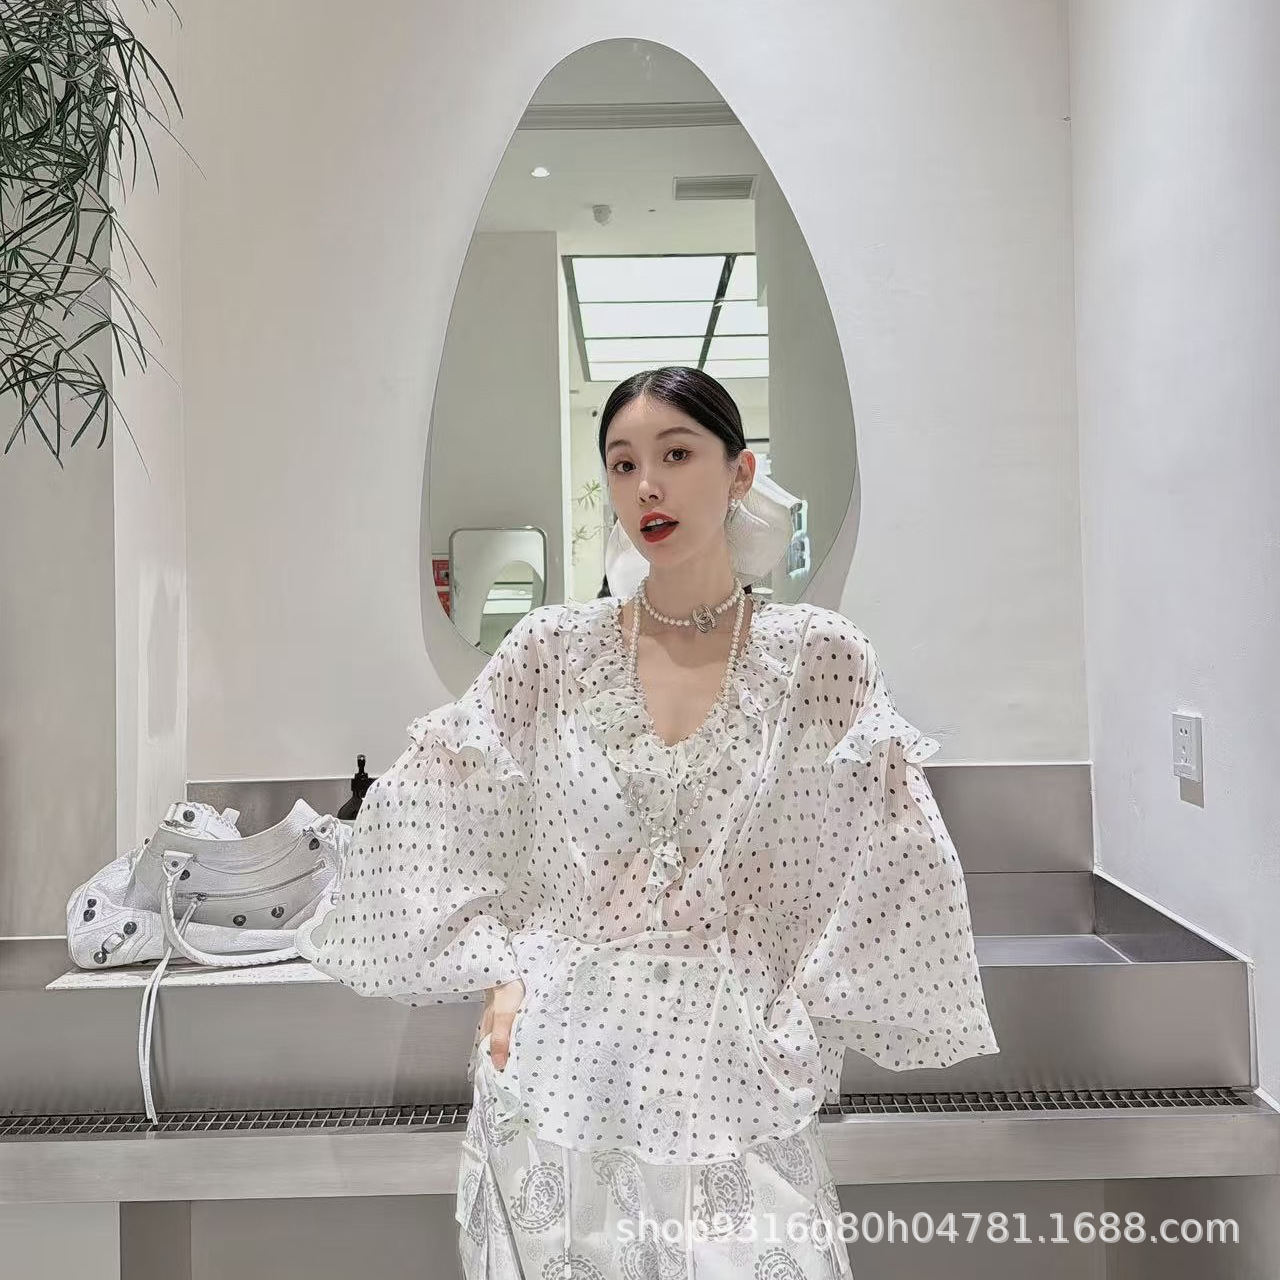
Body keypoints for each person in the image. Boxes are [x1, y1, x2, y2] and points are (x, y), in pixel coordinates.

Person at [311, 366, 999, 1279]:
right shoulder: (552, 651)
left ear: (740, 472)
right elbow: (432, 812)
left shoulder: (818, 658)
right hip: (558, 1077)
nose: (647, 486)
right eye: (624, 463)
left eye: (676, 455)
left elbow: (890, 854)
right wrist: (499, 969)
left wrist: (805, 1015)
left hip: (735, 1074)